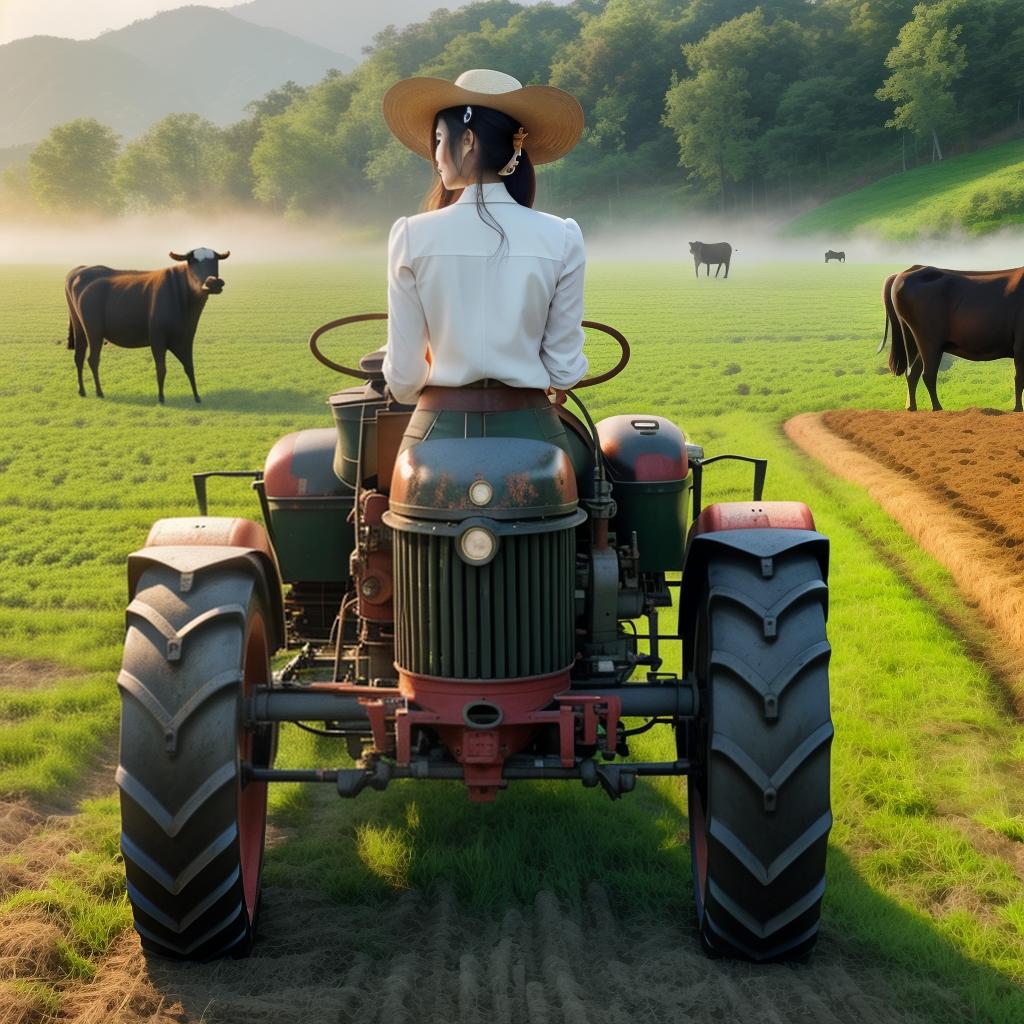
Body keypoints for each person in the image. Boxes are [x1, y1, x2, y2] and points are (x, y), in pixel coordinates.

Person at [380, 68, 589, 468]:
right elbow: (564, 370)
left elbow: (404, 381)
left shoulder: (410, 234)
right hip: (531, 432)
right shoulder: (561, 235)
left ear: (469, 139)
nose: (436, 156)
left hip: (435, 434)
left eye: (439, 140)